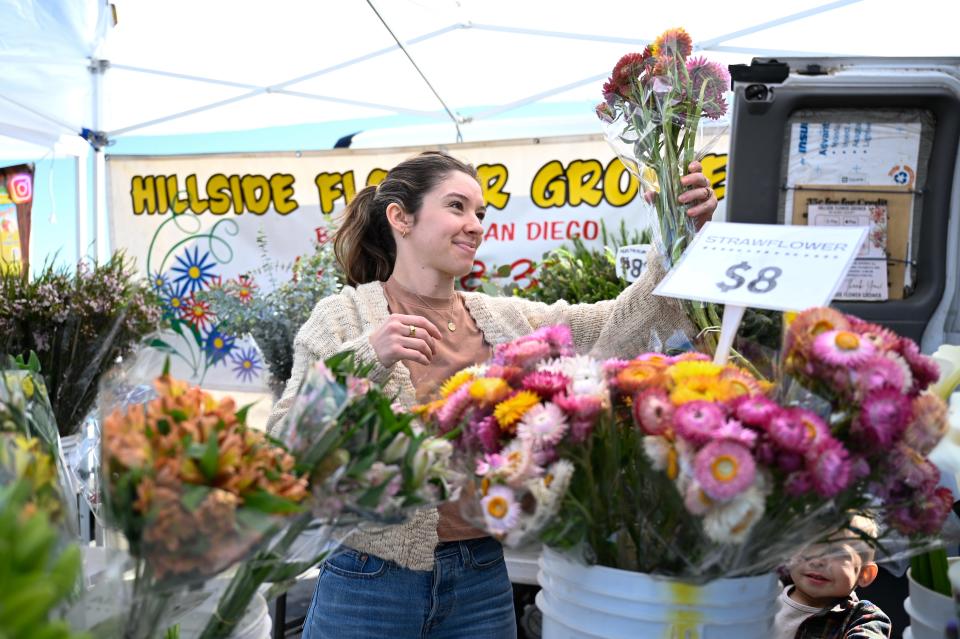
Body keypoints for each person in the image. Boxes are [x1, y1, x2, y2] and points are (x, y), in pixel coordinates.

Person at [266, 150, 717, 639]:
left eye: (481, 213)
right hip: (370, 578)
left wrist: (681, 231)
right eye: (457, 207)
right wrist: (366, 357)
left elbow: (618, 325)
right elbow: (286, 439)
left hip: (480, 575)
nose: (475, 225)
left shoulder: (503, 319)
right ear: (401, 218)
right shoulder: (343, 319)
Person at [773, 514, 891, 639]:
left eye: (837, 553)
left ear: (864, 574)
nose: (817, 561)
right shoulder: (768, 588)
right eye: (809, 547)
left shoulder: (862, 620)